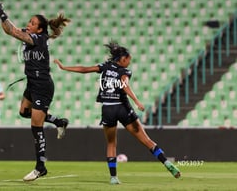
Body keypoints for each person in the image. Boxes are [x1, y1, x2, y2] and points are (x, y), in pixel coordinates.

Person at [53, 41, 181, 184]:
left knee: (111, 144)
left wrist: (64, 67)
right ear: (123, 59)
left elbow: (84, 69)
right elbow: (125, 85)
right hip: (122, 108)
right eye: (129, 60)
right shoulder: (125, 71)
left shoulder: (104, 66)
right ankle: (167, 163)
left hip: (108, 109)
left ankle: (113, 177)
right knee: (146, 140)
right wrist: (137, 101)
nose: (129, 63)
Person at [0, 2, 70, 181]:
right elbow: (9, 30)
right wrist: (1, 17)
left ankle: (40, 167)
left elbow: (14, 31)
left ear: (40, 29)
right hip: (32, 84)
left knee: (36, 126)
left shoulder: (39, 39)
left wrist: (2, 13)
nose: (29, 24)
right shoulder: (33, 36)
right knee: (24, 112)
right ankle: (59, 121)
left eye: (33, 23)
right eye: (30, 22)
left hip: (42, 86)